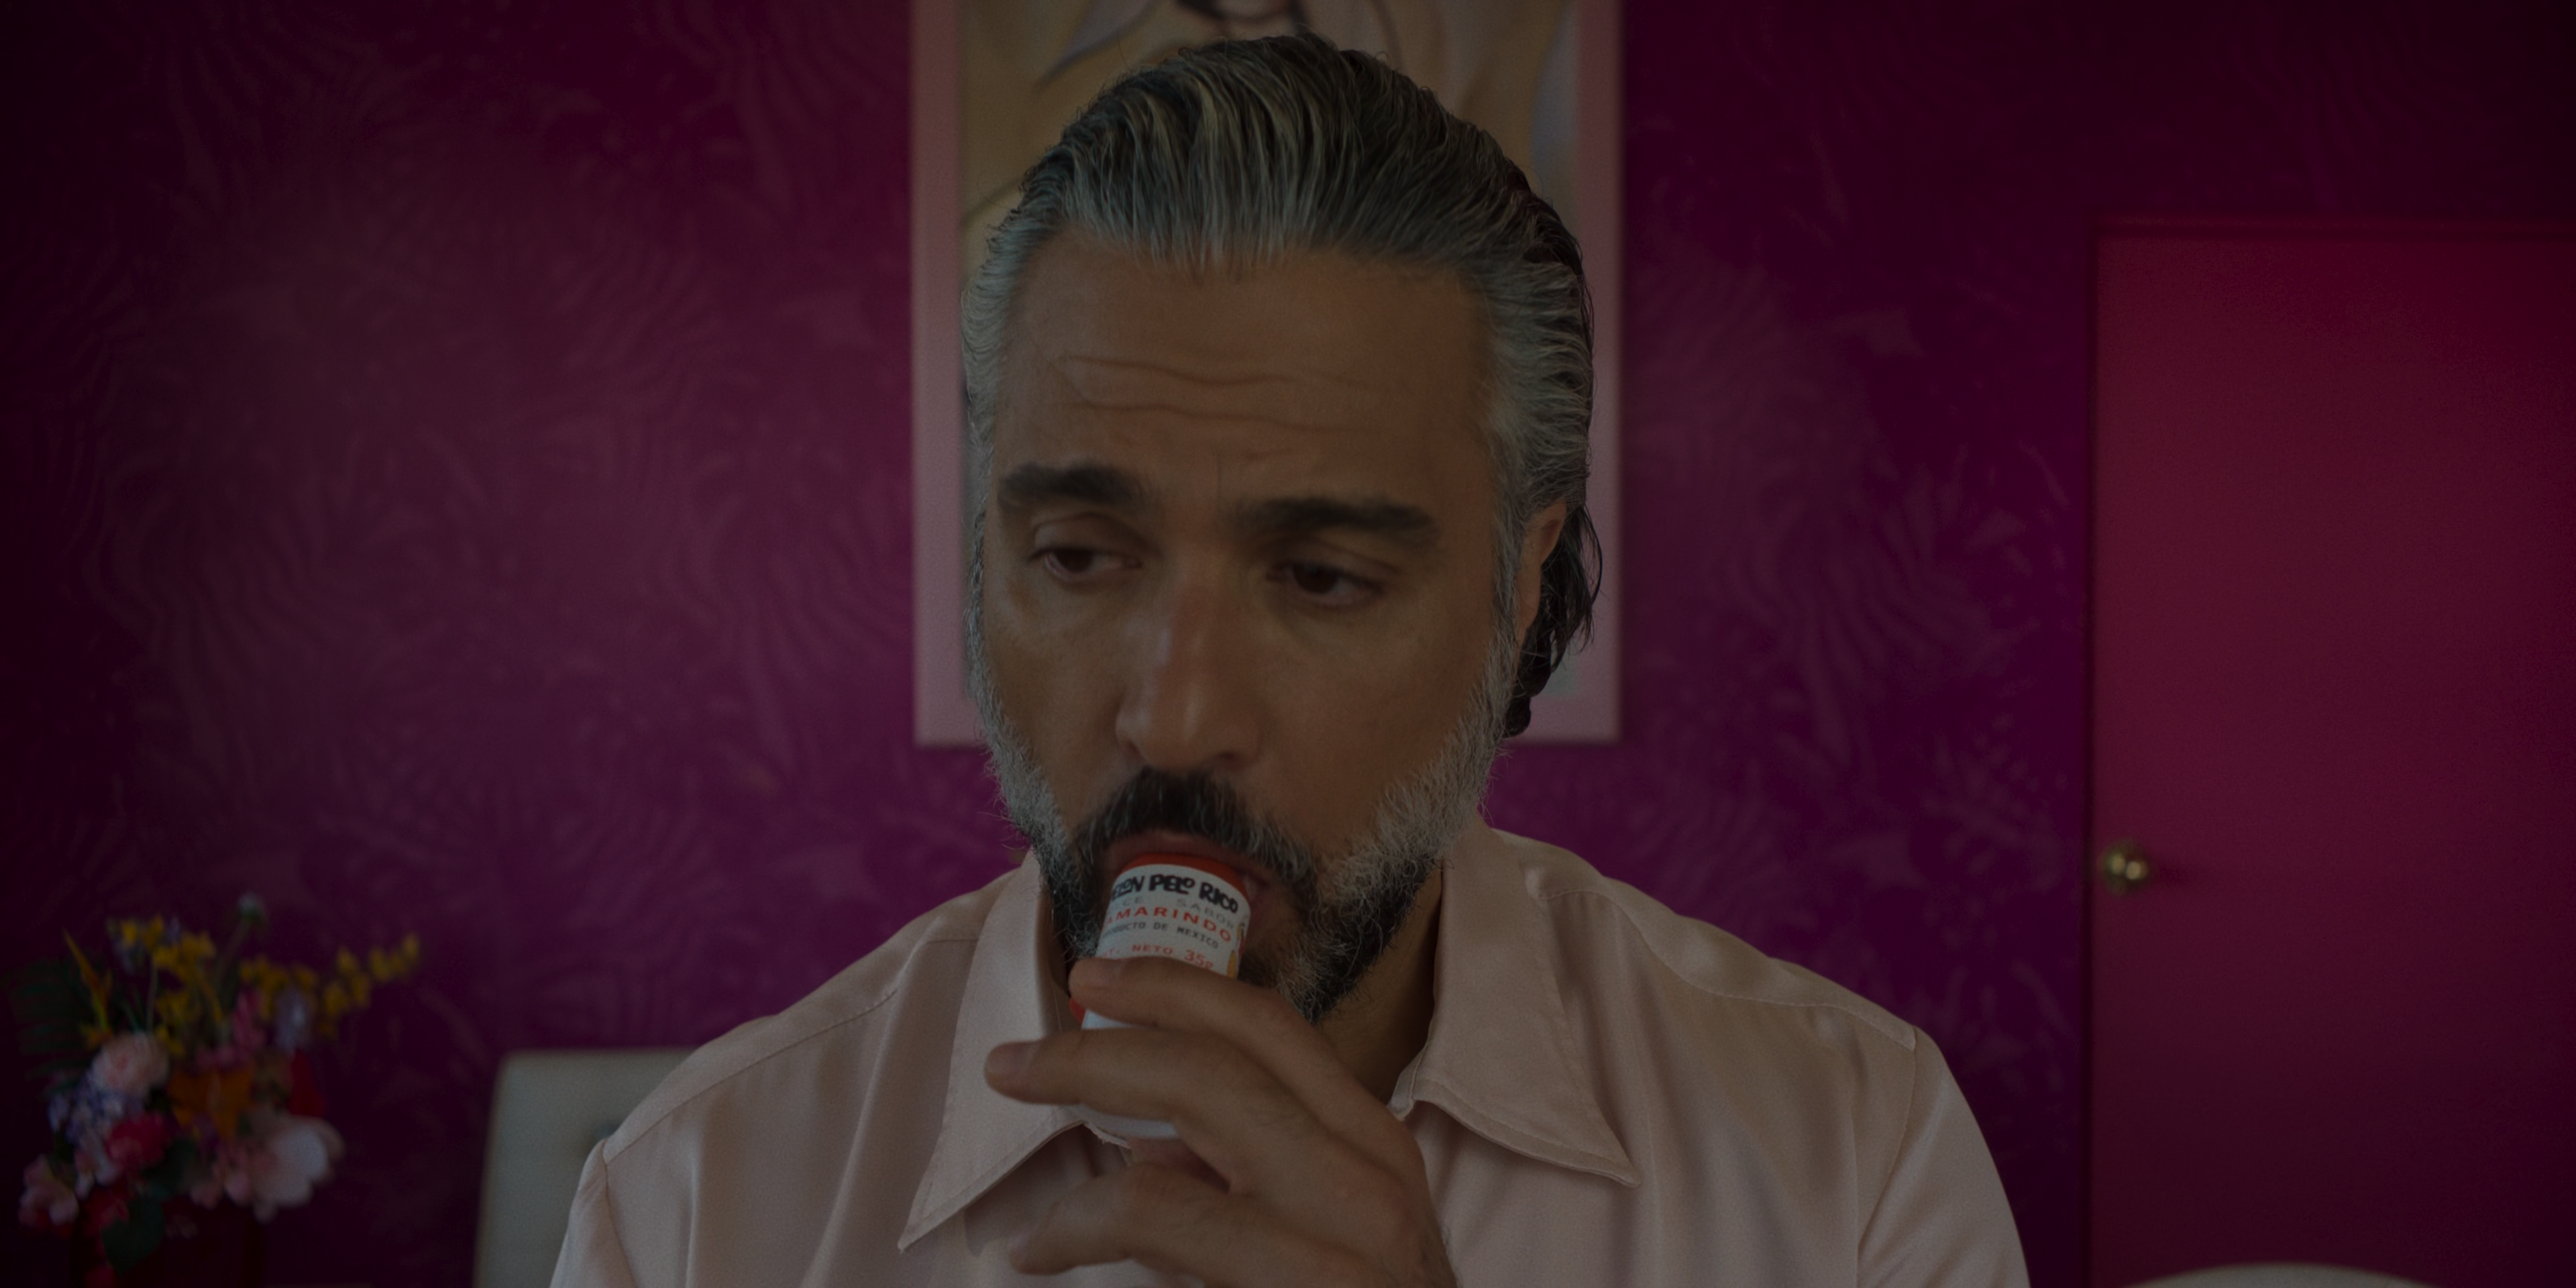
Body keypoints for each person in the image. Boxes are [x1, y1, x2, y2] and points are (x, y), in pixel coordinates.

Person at [553, 34, 2028, 1287]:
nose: (1175, 717)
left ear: (1519, 586)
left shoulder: (1849, 1158)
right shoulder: (694, 1204)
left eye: (1321, 577)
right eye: (1080, 555)